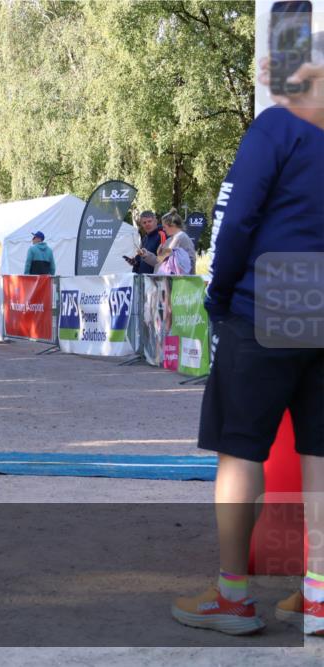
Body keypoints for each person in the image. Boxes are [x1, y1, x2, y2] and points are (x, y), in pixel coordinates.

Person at [171, 56, 324, 637]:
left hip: (266, 304)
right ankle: (319, 597)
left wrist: (220, 292)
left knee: (240, 451)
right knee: (320, 455)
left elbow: (233, 220)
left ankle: (233, 596)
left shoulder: (276, 128)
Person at [137, 209, 196, 275]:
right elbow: (158, 261)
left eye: (164, 227)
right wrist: (146, 255)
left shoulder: (183, 238)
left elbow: (191, 262)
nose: (163, 229)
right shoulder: (169, 240)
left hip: (179, 282)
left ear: (172, 225)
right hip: (165, 282)